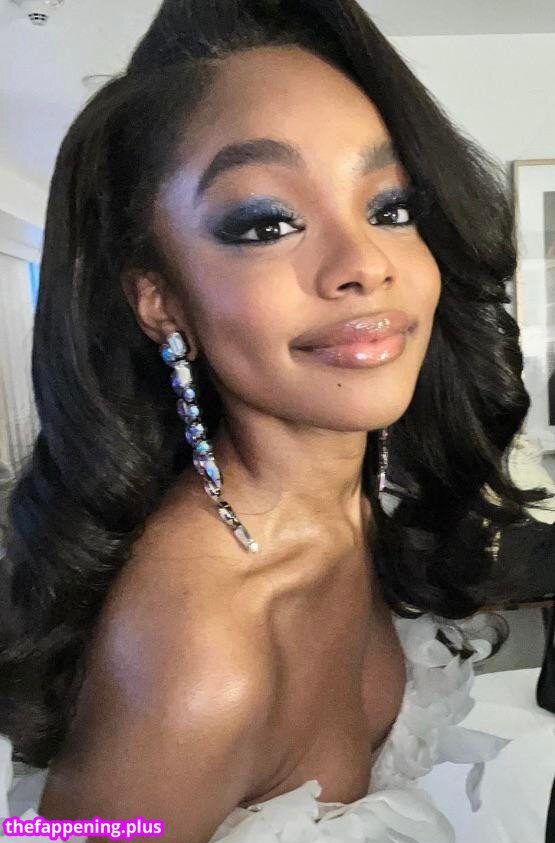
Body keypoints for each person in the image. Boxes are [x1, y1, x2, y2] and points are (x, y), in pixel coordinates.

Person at [0, 1, 553, 841]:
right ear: (160, 297)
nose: (364, 263)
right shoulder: (196, 655)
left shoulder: (361, 504)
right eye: (267, 222)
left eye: (390, 207)